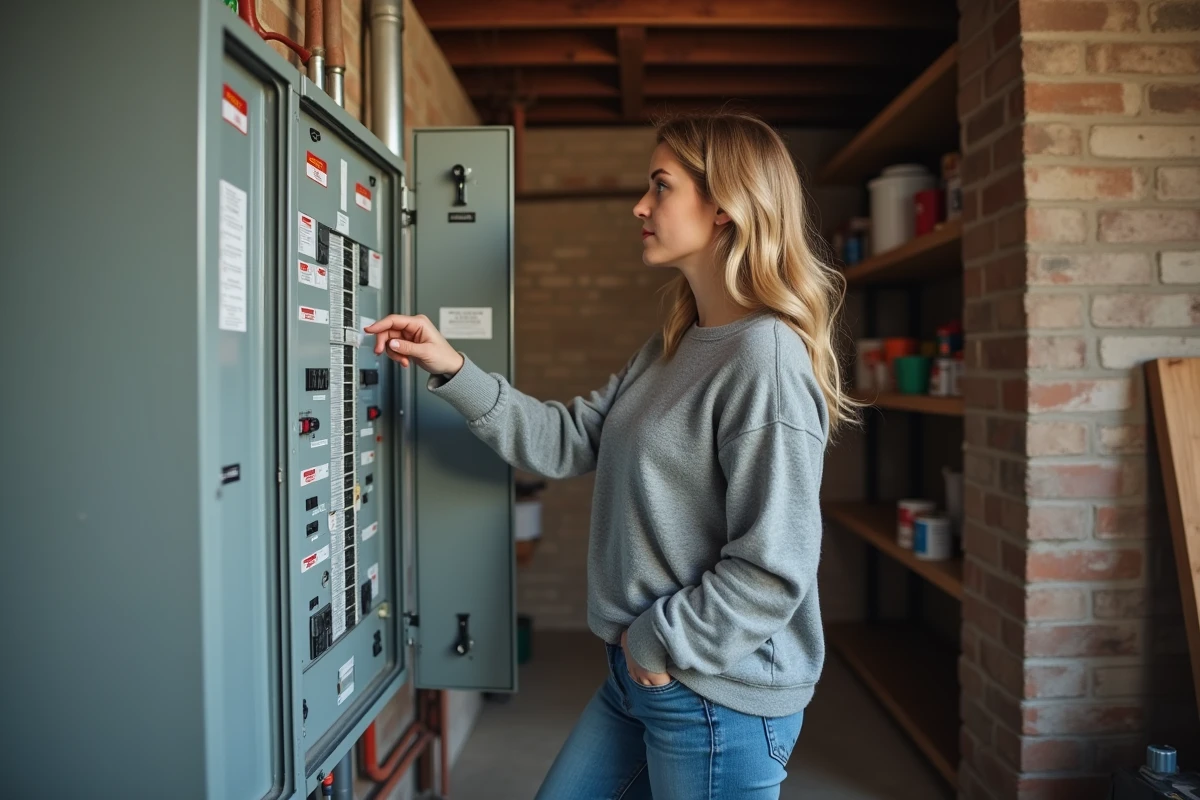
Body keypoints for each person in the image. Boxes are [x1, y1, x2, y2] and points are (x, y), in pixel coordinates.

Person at [365, 112, 854, 799]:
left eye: (661, 187)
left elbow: (776, 566)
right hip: (641, 676)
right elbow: (566, 439)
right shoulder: (670, 347)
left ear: (723, 207)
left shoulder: (764, 360)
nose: (640, 206)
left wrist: (656, 641)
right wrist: (451, 367)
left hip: (714, 693)